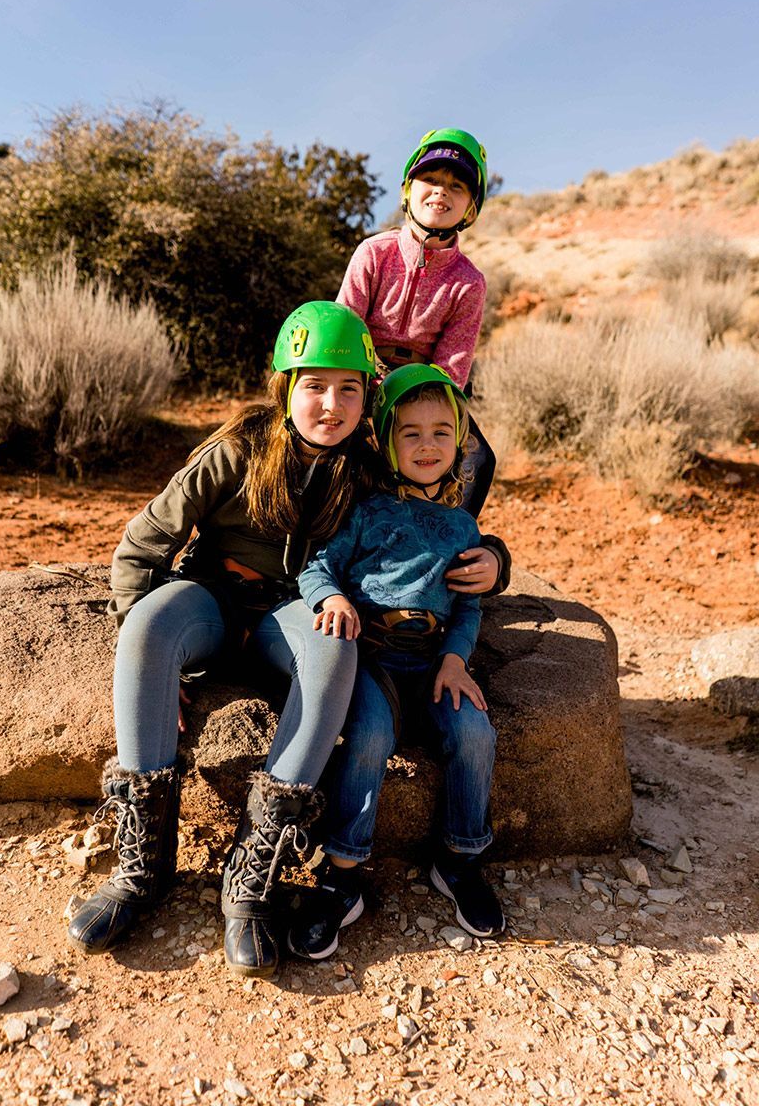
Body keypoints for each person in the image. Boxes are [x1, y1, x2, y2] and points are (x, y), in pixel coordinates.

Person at [66, 302, 505, 980]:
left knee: (334, 648)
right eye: (314, 386)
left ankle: (253, 876)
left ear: (367, 397)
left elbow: (437, 514)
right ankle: (140, 870)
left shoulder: (369, 462)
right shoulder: (235, 450)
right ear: (284, 385)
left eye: (350, 388)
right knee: (151, 626)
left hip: (293, 610)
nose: (331, 404)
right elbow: (142, 547)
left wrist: (494, 560)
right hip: (212, 598)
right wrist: (153, 669)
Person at [288, 364, 506, 963]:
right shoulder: (366, 511)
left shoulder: (463, 524)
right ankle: (343, 873)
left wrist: (457, 662)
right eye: (410, 432)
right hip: (370, 659)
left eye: (442, 432)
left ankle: (459, 861)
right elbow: (317, 569)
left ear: (460, 441)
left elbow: (467, 603)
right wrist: (330, 599)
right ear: (386, 440)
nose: (428, 445)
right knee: (367, 735)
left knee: (473, 733)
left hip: (434, 661)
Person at [337, 127, 495, 515]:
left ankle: (445, 544)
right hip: (360, 377)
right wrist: (368, 390)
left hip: (423, 391)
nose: (441, 191)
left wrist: (415, 407)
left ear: (470, 210)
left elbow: (453, 368)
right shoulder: (374, 254)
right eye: (431, 180)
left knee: (478, 460)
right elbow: (344, 330)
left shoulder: (468, 282)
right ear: (408, 190)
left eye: (457, 186)